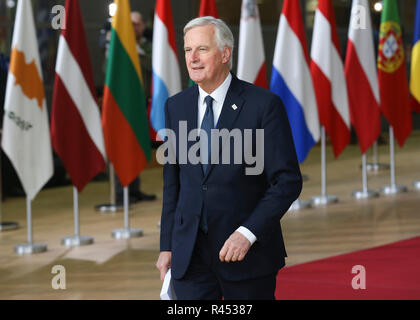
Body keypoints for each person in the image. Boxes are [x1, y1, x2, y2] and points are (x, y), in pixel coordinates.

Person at [156, 17, 302, 300]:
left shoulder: (263, 105)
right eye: (187, 50)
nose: (193, 59)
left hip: (247, 254)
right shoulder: (176, 106)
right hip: (190, 256)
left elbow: (287, 182)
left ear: (225, 54)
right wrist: (167, 246)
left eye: (202, 49)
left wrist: (248, 232)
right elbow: (172, 184)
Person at [102, 11, 156, 205]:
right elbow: (106, 69)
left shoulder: (149, 46)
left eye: (138, 24)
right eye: (131, 24)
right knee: (121, 145)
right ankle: (120, 192)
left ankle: (134, 189)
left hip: (142, 101)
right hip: (122, 103)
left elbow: (152, 66)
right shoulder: (117, 46)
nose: (135, 28)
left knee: (137, 143)